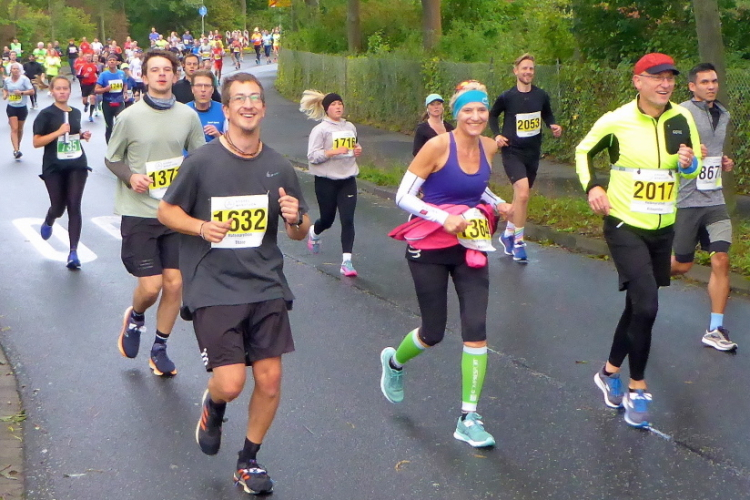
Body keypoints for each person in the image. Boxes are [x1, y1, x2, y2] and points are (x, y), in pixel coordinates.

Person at [157, 71, 310, 496]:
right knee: (230, 383)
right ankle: (215, 403)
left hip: (265, 284)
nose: (248, 104)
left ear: (263, 108)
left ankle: (249, 461)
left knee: (270, 380)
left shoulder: (279, 166)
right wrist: (200, 227)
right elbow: (167, 212)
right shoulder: (201, 162)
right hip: (213, 284)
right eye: (239, 98)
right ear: (226, 110)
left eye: (255, 97)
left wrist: (297, 218)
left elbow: (299, 230)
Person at [379, 80, 512, 448]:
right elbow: (402, 196)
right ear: (457, 114)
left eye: (481, 109)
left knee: (476, 327)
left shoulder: (488, 147)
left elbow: (476, 187)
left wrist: (497, 202)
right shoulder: (437, 146)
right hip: (430, 246)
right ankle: (394, 362)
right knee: (433, 332)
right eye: (468, 110)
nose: (475, 116)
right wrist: (442, 217)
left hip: (469, 245)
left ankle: (469, 417)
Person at [576, 53, 701, 428]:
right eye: (657, 77)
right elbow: (584, 151)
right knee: (647, 305)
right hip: (624, 223)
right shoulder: (617, 120)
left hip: (662, 227)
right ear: (638, 81)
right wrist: (593, 186)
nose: (665, 84)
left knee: (637, 306)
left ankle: (608, 372)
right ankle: (638, 388)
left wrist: (688, 164)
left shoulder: (682, 118)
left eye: (670, 78)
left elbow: (692, 166)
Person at [104, 49, 205, 376]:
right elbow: (112, 158)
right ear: (144, 77)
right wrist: (131, 177)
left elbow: (200, 158)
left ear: (175, 76)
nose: (162, 74)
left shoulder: (187, 116)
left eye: (167, 70)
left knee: (174, 284)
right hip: (139, 212)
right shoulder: (129, 117)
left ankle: (159, 348)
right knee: (151, 287)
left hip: (173, 212)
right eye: (155, 70)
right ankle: (135, 317)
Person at [671, 63, 737, 351]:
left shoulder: (723, 113)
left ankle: (715, 329)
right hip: (686, 201)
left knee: (721, 258)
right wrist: (686, 155)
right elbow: (667, 153)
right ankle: (645, 278)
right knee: (681, 264)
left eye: (714, 81)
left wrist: (722, 161)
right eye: (705, 82)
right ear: (692, 86)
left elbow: (715, 149)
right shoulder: (679, 113)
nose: (711, 86)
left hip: (715, 200)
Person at [489, 53, 562, 263]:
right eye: (524, 68)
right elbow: (493, 115)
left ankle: (508, 234)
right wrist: (497, 135)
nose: (528, 72)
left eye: (531, 69)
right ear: (516, 71)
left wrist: (553, 125)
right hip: (512, 151)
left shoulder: (541, 95)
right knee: (522, 194)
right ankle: (519, 242)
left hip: (532, 152)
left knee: (520, 197)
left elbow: (547, 114)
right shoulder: (507, 97)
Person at [300, 90, 363, 276]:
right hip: (326, 181)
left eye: (340, 104)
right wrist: (332, 152)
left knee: (348, 220)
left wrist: (357, 150)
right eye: (334, 104)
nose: (338, 107)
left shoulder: (350, 127)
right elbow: (312, 156)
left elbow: (354, 146)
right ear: (327, 109)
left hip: (348, 179)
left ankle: (346, 262)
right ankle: (315, 231)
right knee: (327, 219)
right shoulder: (320, 130)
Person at [32, 76, 93, 269]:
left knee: (74, 205)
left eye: (65, 88)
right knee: (59, 206)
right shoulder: (46, 114)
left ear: (69, 91)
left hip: (77, 163)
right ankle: (50, 219)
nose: (62, 92)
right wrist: (58, 132)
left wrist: (82, 135)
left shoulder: (75, 112)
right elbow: (36, 142)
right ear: (52, 91)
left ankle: (73, 252)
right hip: (54, 166)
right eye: (58, 88)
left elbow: (72, 135)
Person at [4, 62, 34, 159]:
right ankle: (16, 150)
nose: (16, 70)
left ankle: (17, 146)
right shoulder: (7, 80)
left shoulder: (24, 79)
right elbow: (5, 89)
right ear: (10, 70)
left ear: (20, 70)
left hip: (22, 107)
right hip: (11, 107)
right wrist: (5, 94)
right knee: (14, 129)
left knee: (20, 129)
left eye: (17, 69)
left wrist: (21, 92)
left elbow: (32, 91)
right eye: (14, 69)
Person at [95, 54, 127, 143]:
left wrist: (125, 92)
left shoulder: (121, 73)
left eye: (113, 60)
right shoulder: (103, 75)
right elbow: (96, 90)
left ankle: (120, 144)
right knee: (109, 126)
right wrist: (105, 89)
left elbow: (125, 84)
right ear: (107, 63)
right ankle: (109, 146)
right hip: (107, 104)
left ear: (117, 62)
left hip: (119, 103)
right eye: (110, 60)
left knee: (120, 124)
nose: (112, 61)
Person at [187, 69, 225, 142]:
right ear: (192, 89)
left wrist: (218, 136)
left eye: (207, 86)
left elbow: (232, 144)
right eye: (199, 86)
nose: (203, 89)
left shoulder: (223, 110)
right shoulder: (184, 111)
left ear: (212, 89)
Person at [77, 52, 99, 122]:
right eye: (87, 57)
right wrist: (83, 76)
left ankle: (90, 115)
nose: (89, 58)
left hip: (93, 84)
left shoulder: (94, 66)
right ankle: (86, 104)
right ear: (85, 58)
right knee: (84, 101)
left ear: (91, 58)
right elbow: (78, 75)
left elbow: (98, 73)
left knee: (92, 98)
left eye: (90, 57)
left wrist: (97, 76)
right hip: (85, 85)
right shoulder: (82, 66)